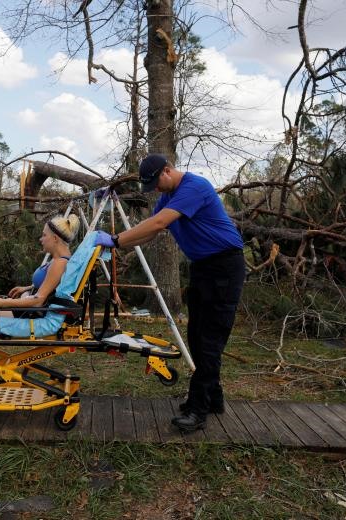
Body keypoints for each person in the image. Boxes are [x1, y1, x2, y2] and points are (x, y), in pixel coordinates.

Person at [95, 153, 245, 432]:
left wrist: (115, 239)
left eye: (156, 183)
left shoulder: (194, 187)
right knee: (197, 337)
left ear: (167, 170)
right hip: (202, 268)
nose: (155, 190)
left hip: (225, 266)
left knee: (210, 339)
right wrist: (116, 246)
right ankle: (213, 398)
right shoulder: (167, 198)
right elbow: (149, 233)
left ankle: (197, 411)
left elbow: (158, 224)